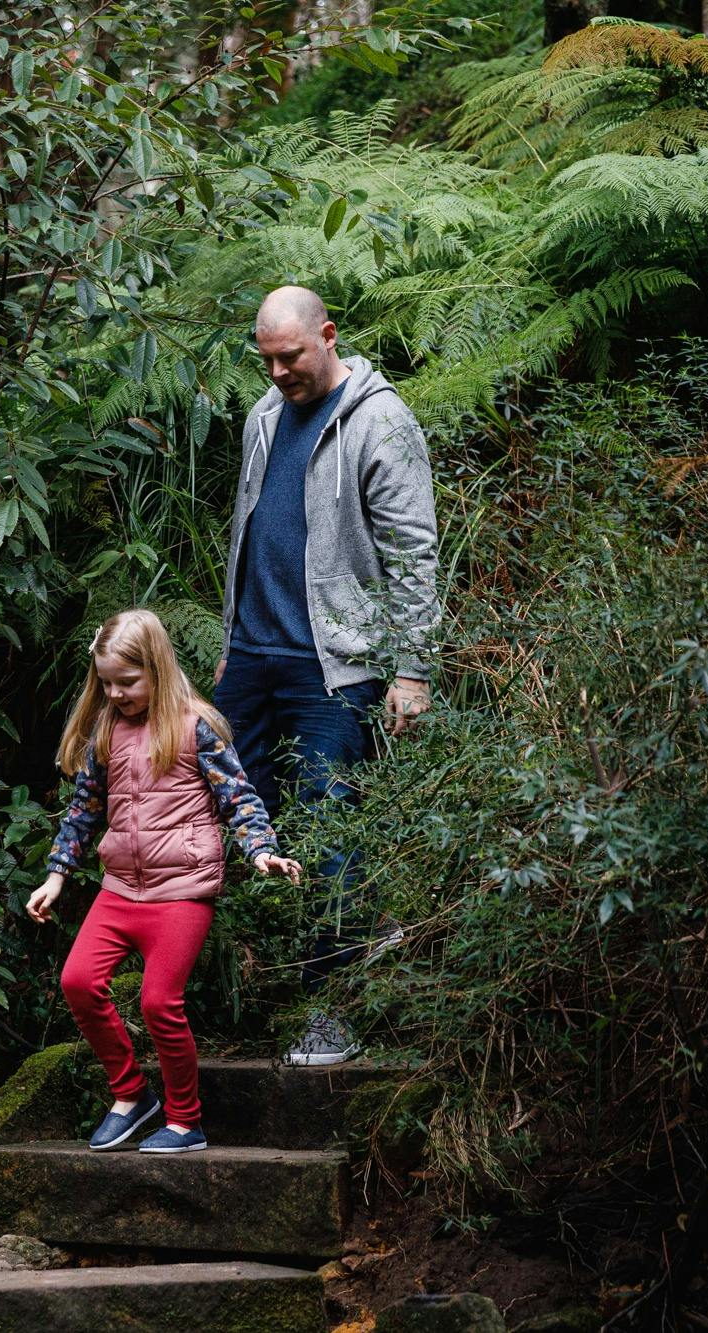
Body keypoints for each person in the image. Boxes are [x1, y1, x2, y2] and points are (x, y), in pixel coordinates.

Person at [212, 285, 440, 1067]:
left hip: (335, 667)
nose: (278, 372)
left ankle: (332, 1011)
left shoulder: (382, 420)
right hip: (251, 655)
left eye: (291, 356)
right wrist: (230, 638)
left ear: (328, 336)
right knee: (232, 816)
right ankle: (250, 985)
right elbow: (246, 530)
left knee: (332, 827)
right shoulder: (263, 417)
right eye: (266, 359)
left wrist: (412, 670)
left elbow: (414, 553)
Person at [29, 608, 302, 1154]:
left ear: (156, 669)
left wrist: (262, 852)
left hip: (182, 891)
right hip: (120, 889)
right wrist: (57, 876)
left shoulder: (196, 726)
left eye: (126, 682)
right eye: (105, 683)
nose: (114, 694)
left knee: (158, 1002)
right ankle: (131, 1095)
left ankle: (185, 1120)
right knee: (79, 982)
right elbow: (83, 812)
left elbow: (239, 798)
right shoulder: (106, 730)